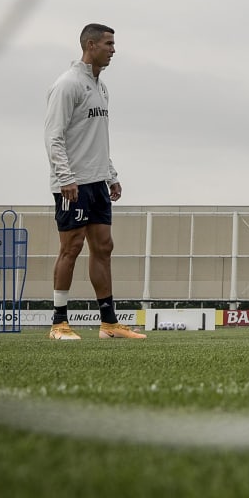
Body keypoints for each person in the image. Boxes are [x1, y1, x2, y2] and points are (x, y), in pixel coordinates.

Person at [44, 23, 145, 340]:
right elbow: (53, 136)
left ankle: (109, 324)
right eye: (108, 43)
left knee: (104, 247)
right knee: (70, 249)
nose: (114, 49)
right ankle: (59, 324)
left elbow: (97, 139)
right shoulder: (67, 85)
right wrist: (65, 178)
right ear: (90, 45)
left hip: (97, 182)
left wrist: (110, 175)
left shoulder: (101, 88)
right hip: (72, 184)